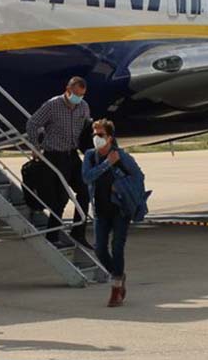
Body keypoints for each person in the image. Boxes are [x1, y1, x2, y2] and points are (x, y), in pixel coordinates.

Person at [82, 118, 144, 307]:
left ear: (110, 137)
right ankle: (118, 275)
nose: (96, 138)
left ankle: (116, 288)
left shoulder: (122, 156)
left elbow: (138, 177)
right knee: (100, 249)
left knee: (117, 247)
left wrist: (122, 187)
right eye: (94, 134)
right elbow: (87, 177)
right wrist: (107, 164)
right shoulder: (91, 156)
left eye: (100, 135)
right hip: (100, 210)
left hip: (119, 209)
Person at [25, 76, 92, 247]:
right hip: (54, 155)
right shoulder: (53, 105)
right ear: (68, 90)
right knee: (60, 198)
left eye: (82, 95)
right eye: (76, 94)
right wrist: (35, 147)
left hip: (72, 155)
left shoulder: (83, 107)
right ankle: (52, 237)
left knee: (85, 192)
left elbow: (85, 129)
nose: (78, 99)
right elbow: (33, 123)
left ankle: (78, 233)